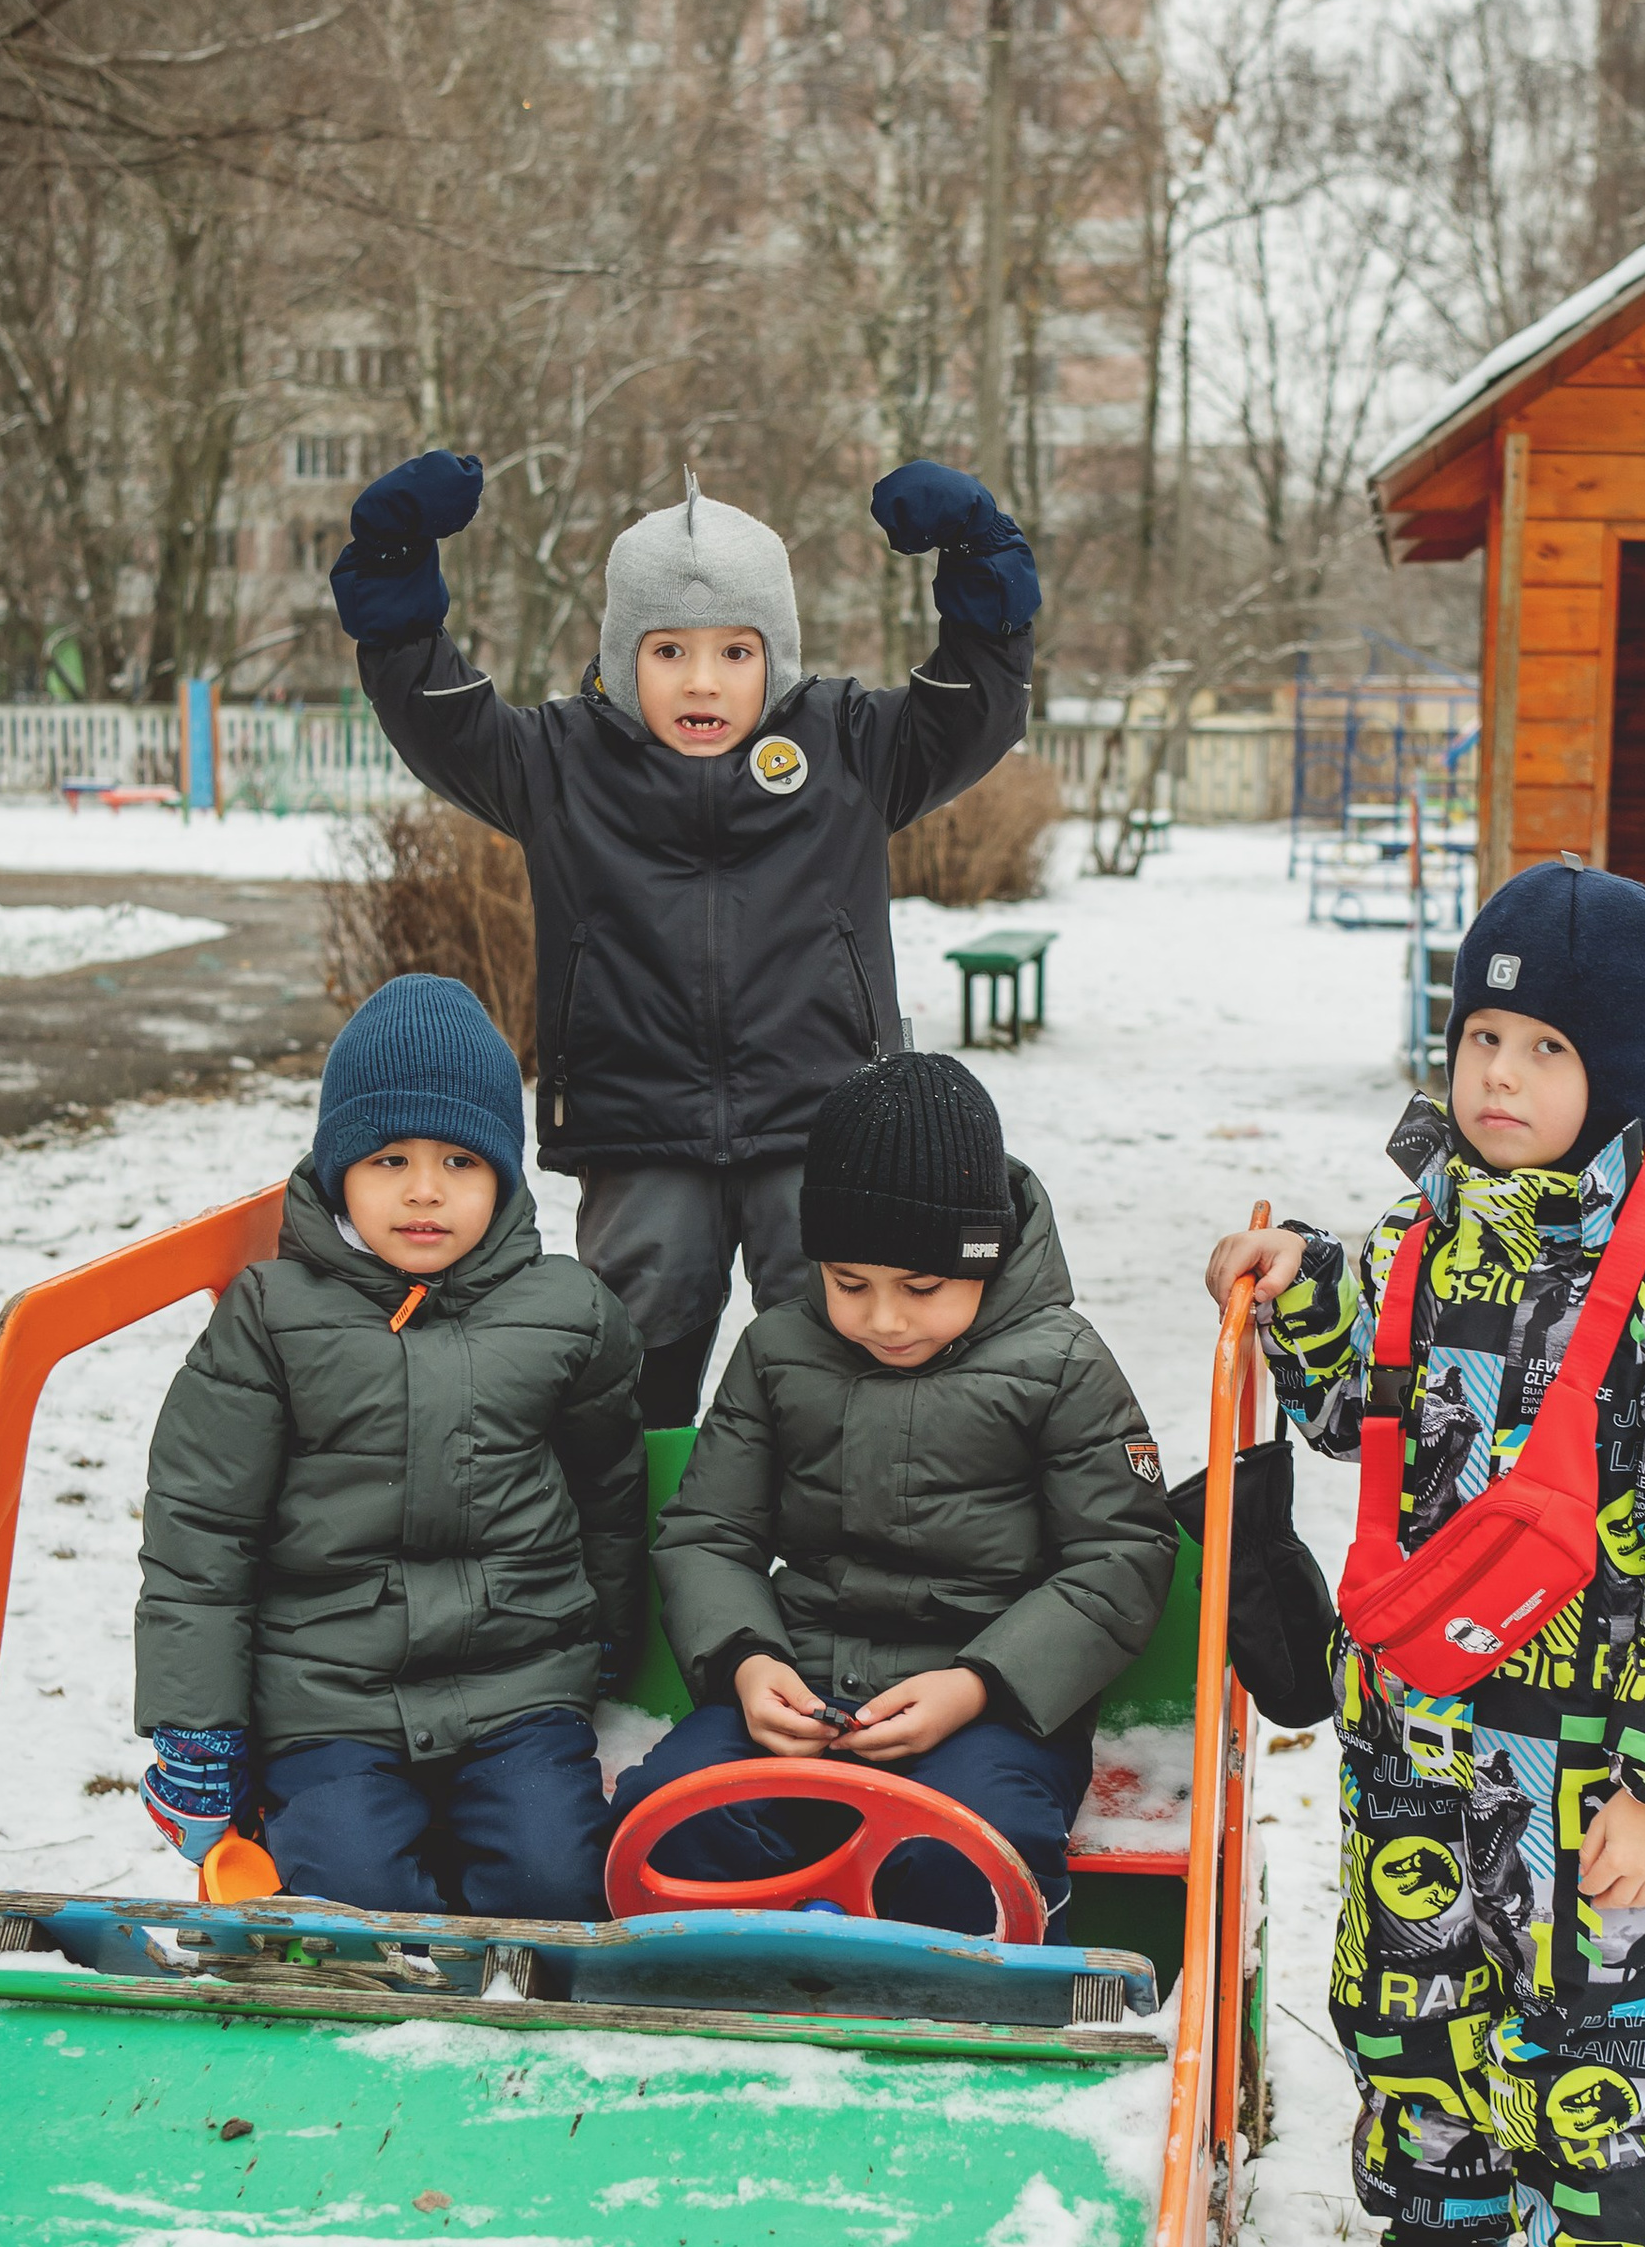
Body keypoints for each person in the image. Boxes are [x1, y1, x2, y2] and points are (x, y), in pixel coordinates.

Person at [1205, 859, 1645, 2247]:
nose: (1498, 1078)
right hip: (1422, 1739)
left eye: (1543, 1048)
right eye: (1480, 1037)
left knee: (1586, 2062)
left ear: (1619, 1067)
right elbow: (1355, 1414)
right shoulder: (1424, 1229)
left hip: (1591, 1770)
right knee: (1415, 2025)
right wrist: (1302, 1293)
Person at [331, 451, 1038, 1428]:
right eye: (669, 651)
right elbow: (432, 713)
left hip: (821, 1127)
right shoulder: (559, 763)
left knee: (836, 1369)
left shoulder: (849, 746)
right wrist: (393, 567)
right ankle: (641, 1558)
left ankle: (830, 1558)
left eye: (734, 651)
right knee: (631, 1369)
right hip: (638, 1129)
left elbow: (978, 703)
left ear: (774, 654)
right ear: (626, 655)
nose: (701, 681)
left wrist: (979, 554)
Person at [613, 1051, 1175, 1939]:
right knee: (678, 1817)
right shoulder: (776, 1353)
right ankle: (728, 2013)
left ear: (985, 1260)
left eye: (921, 1288)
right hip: (799, 1687)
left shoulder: (1060, 1363)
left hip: (989, 1710)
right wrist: (749, 1664)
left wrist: (979, 1683)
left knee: (968, 1853)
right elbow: (707, 1533)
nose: (883, 1319)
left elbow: (1122, 1555)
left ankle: (975, 2029)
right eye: (849, 1284)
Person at [132, 971, 649, 1920]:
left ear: (503, 1172)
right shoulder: (271, 1318)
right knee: (359, 1907)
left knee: (553, 1890)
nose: (423, 1191)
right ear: (339, 1171)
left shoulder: (566, 1312)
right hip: (328, 1699)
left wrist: (611, 1636)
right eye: (387, 1160)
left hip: (519, 1688)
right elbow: (202, 1534)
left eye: (459, 1161)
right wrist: (198, 1730)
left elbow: (607, 1489)